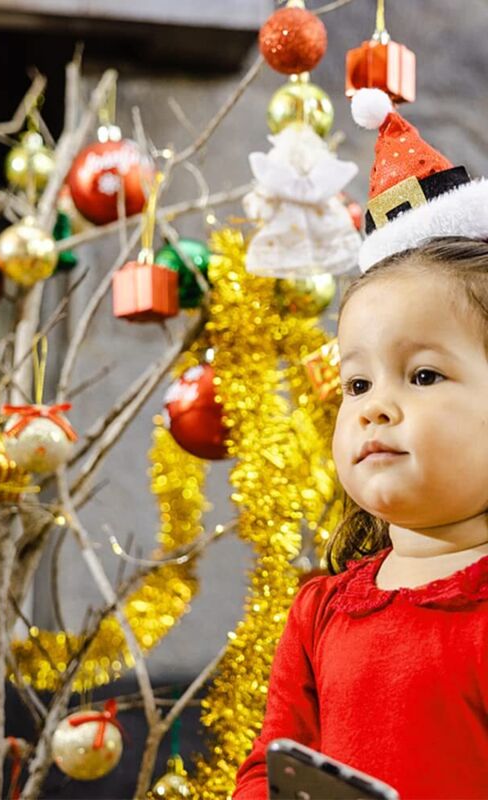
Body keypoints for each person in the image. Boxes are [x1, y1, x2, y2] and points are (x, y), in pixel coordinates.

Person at [233, 90, 488, 800]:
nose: (376, 407)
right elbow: (267, 767)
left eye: (424, 374)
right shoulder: (321, 612)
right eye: (356, 385)